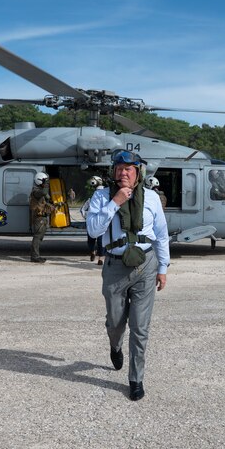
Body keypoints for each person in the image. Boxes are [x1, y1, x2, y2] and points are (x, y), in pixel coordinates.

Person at [87, 150, 170, 401]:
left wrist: (163, 268)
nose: (123, 172)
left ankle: (136, 379)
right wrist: (116, 202)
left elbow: (162, 234)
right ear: (114, 172)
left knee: (140, 328)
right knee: (115, 322)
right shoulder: (101, 196)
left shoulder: (152, 199)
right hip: (114, 266)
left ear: (138, 173)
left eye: (129, 169)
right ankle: (115, 345)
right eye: (119, 168)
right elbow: (93, 230)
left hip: (145, 265)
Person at [29, 172, 55, 263]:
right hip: (38, 218)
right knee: (37, 237)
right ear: (39, 181)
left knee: (39, 237)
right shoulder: (36, 191)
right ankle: (34, 257)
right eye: (44, 181)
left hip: (42, 217)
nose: (46, 183)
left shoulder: (39, 191)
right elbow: (44, 192)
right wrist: (47, 184)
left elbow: (46, 199)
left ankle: (36, 255)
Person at [81, 175, 106, 265]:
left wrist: (86, 218)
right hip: (102, 222)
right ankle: (101, 258)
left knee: (91, 240)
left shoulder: (91, 197)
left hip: (91, 222)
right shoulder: (106, 195)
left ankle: (92, 252)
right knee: (101, 241)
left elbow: (83, 209)